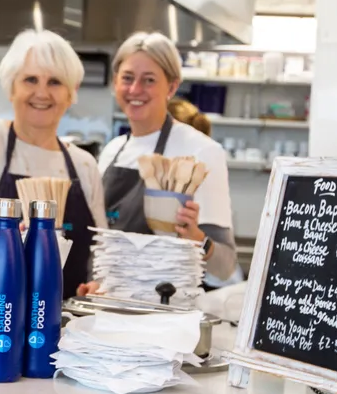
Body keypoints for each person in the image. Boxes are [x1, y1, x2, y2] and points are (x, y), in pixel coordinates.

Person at [0, 29, 107, 299]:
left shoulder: (84, 165)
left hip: (69, 324)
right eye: (31, 79)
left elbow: (101, 251)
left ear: (71, 93)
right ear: (12, 87)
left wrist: (99, 284)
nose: (42, 93)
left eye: (55, 82)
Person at [80, 32, 241, 296]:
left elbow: (225, 266)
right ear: (115, 83)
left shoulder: (201, 152)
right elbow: (101, 246)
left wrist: (197, 239)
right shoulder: (112, 151)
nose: (135, 90)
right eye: (127, 78)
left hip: (166, 315)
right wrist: (97, 282)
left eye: (149, 80)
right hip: (110, 309)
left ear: (172, 87)